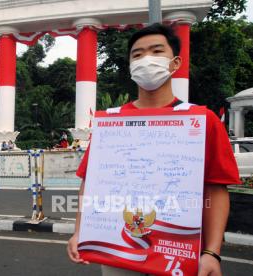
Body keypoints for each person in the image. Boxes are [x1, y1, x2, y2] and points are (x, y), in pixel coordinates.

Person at [67, 23, 241, 276]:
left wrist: (212, 252)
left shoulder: (202, 120)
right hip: (119, 253)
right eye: (137, 55)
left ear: (175, 62)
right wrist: (80, 231)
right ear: (130, 67)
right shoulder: (112, 124)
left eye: (157, 51)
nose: (146, 59)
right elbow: (91, 183)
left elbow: (216, 188)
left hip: (179, 255)